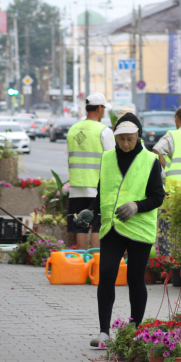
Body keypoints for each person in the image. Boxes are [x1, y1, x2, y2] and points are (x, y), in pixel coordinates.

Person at [75, 113, 166, 347]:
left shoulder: (150, 160)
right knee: (106, 275)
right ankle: (104, 332)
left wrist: (137, 205)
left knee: (136, 279)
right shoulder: (106, 159)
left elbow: (158, 197)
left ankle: (135, 332)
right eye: (121, 139)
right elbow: (102, 193)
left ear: (139, 136)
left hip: (139, 229)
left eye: (130, 139)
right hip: (111, 228)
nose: (126, 144)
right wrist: (90, 211)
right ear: (115, 137)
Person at [66, 92, 115, 250]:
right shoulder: (103, 131)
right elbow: (112, 159)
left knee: (80, 225)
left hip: (76, 186)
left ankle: (81, 261)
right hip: (96, 188)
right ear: (100, 108)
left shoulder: (73, 130)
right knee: (97, 224)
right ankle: (95, 261)